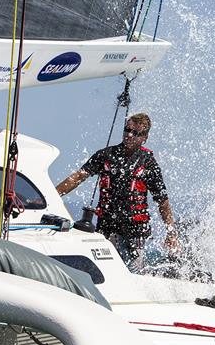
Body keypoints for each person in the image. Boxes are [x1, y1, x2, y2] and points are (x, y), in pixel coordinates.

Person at [56, 113, 178, 272]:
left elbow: (163, 201)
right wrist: (52, 195)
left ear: (144, 137)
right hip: (107, 227)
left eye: (135, 133)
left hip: (134, 231)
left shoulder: (148, 164)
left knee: (132, 274)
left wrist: (171, 232)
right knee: (103, 271)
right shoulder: (105, 155)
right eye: (127, 130)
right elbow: (78, 177)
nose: (129, 135)